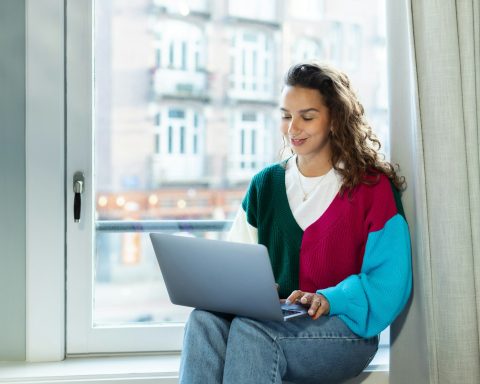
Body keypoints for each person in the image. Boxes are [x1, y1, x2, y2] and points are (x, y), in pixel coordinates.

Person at [179, 63, 412, 384]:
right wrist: (249, 288)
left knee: (251, 332)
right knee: (203, 321)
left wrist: (332, 298)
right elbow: (235, 262)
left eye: (307, 116)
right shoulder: (266, 184)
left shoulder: (372, 188)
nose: (293, 128)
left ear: (334, 119)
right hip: (274, 319)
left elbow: (390, 280)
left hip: (345, 331)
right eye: (286, 115)